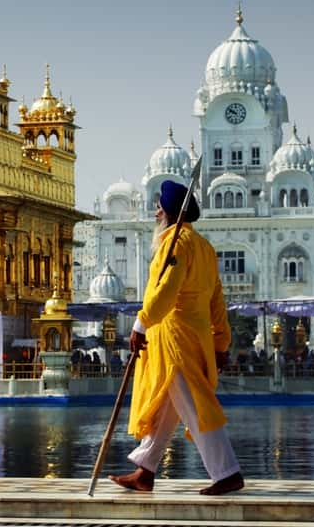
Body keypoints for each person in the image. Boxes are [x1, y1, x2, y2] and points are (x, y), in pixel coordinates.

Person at [109, 180, 243, 496]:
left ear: (169, 211)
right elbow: (216, 299)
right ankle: (146, 470)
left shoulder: (176, 244)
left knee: (195, 406)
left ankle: (227, 472)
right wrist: (221, 341)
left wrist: (141, 324)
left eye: (159, 206)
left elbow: (164, 291)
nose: (155, 212)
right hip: (192, 336)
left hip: (174, 337)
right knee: (166, 406)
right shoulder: (204, 247)